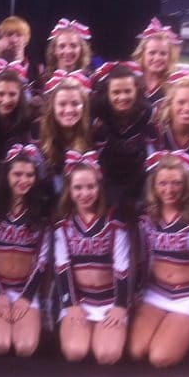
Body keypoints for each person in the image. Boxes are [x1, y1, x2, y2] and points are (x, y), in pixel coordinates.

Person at [130, 153, 189, 368]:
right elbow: (144, 256)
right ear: (154, 186)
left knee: (159, 358)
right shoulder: (147, 216)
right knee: (135, 352)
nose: (169, 190)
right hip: (157, 292)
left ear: (186, 184)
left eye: (176, 183)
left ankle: (188, 332)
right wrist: (137, 291)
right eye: (163, 183)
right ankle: (174, 329)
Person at [54, 151, 130, 365]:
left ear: (99, 187)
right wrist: (71, 304)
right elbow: (62, 267)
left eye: (91, 187)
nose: (85, 193)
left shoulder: (114, 221)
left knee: (107, 355)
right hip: (81, 301)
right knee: (75, 352)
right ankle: (87, 331)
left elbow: (122, 266)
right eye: (78, 188)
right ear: (69, 190)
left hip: (110, 301)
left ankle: (104, 332)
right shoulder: (63, 223)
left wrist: (120, 305)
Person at [0, 145, 51, 357]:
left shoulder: (41, 214)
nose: (24, 180)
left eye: (29, 175)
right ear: (6, 175)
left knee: (24, 348)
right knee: (1, 345)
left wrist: (26, 297)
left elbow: (42, 261)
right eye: (17, 174)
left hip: (25, 291)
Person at [90, 62, 155, 221]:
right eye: (116, 92)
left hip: (136, 177)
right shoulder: (97, 111)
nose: (122, 97)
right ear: (107, 93)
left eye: (127, 91)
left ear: (136, 90)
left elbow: (152, 153)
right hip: (104, 177)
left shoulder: (147, 112)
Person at [131, 18, 182, 106]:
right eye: (152, 53)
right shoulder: (130, 80)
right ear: (142, 54)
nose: (157, 58)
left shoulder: (174, 86)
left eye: (163, 53)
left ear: (169, 57)